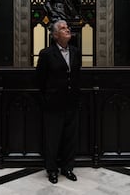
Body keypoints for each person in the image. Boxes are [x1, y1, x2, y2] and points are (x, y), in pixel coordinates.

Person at [36, 19, 82, 184]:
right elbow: (40, 80)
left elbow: (76, 76)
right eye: (63, 28)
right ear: (55, 35)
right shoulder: (46, 54)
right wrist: (46, 99)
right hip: (53, 104)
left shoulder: (76, 52)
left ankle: (68, 168)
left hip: (71, 103)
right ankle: (52, 170)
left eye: (67, 27)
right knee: (53, 139)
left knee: (70, 138)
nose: (67, 29)